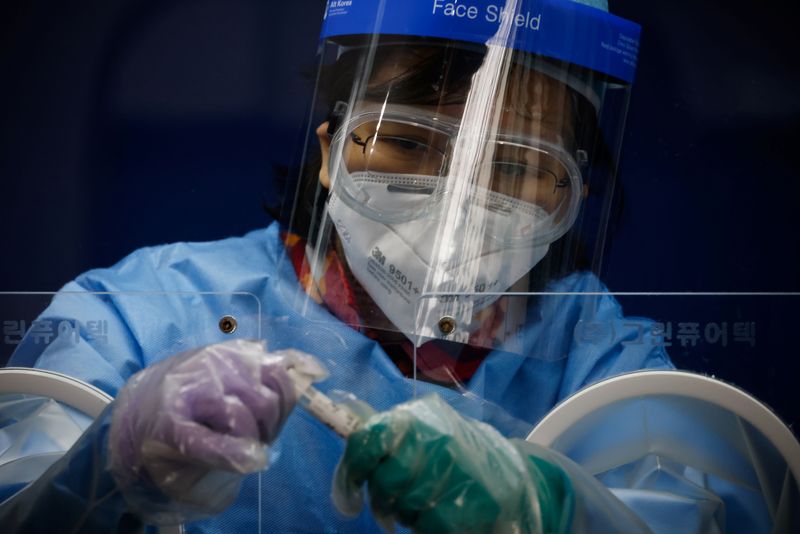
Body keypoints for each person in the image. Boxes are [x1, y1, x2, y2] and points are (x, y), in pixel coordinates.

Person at [0, 0, 688, 532]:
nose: (456, 202)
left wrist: (551, 509)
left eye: (513, 165)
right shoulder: (137, 312)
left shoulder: (597, 358)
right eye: (405, 142)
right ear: (330, 152)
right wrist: (114, 462)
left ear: (572, 198)